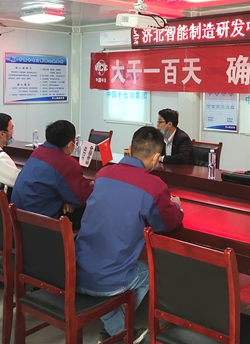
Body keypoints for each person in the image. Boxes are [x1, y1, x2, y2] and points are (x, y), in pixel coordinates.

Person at [75, 126, 184, 343]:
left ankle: (114, 324)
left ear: (130, 149)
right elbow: (168, 223)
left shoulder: (103, 174)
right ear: (156, 157)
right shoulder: (154, 185)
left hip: (76, 271)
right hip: (107, 281)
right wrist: (177, 206)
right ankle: (120, 329)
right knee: (154, 270)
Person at [10, 120, 92, 228]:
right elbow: (85, 198)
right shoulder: (65, 163)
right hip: (42, 226)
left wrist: (67, 199)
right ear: (71, 144)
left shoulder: (38, 152)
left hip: (19, 222)